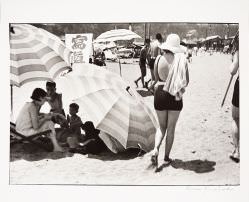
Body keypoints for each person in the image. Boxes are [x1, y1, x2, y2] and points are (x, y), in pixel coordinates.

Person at [150, 34, 189, 167]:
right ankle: (166, 157)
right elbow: (185, 81)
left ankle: (155, 150)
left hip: (160, 93)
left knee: (161, 127)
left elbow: (155, 80)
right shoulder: (181, 60)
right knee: (171, 128)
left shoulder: (159, 59)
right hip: (174, 95)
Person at [229, 33, 239, 163]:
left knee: (236, 119)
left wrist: (231, 64)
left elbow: (233, 70)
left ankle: (237, 151)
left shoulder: (239, 50)